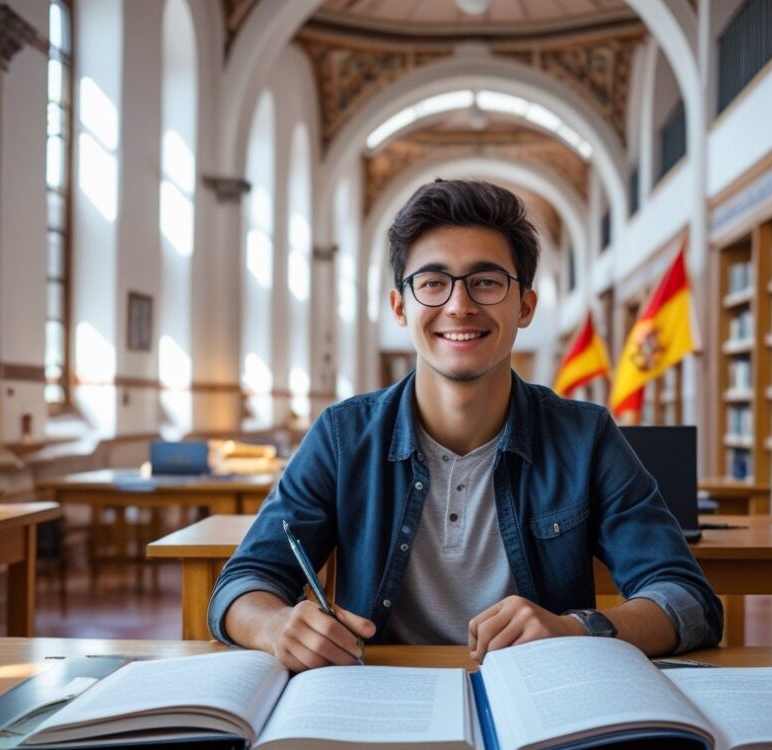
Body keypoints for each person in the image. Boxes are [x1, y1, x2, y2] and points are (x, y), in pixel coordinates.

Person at [208, 179, 722, 671]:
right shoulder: (343, 437)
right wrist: (276, 626)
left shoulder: (585, 437)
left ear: (525, 305)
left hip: (542, 702)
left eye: (486, 281)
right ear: (400, 307)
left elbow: (688, 600)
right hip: (379, 700)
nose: (459, 305)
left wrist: (577, 630)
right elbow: (243, 582)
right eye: (432, 282)